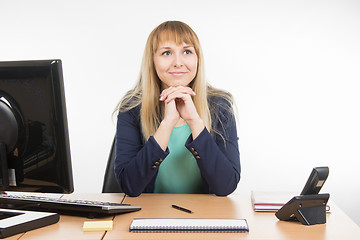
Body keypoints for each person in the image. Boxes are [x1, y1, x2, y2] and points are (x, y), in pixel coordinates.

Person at [114, 21, 240, 197]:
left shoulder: (220, 106)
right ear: (152, 60)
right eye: (166, 53)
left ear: (198, 58)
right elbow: (129, 185)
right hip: (149, 217)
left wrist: (195, 122)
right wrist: (167, 123)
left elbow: (226, 186)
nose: (178, 62)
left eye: (187, 51)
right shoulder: (132, 107)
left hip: (204, 217)